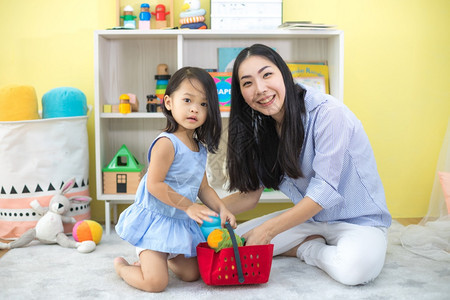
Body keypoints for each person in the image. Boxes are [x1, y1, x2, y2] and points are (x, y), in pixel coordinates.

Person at [223, 44, 392, 286]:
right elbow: (249, 197)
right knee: (228, 248)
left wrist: (269, 230)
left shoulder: (328, 113)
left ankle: (307, 249)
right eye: (247, 83)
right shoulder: (262, 129)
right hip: (309, 220)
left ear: (283, 73)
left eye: (267, 74)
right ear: (241, 93)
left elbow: (323, 193)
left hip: (358, 221)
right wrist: (197, 213)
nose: (260, 89)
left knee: (355, 270)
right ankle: (310, 241)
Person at [114, 66, 237, 292]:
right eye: (188, 100)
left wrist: (222, 209)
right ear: (169, 103)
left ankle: (164, 256)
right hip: (156, 220)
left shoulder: (199, 148)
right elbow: (154, 184)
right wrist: (188, 206)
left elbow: (203, 187)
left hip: (177, 222)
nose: (195, 109)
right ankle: (124, 267)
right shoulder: (166, 143)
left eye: (203, 104)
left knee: (192, 275)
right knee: (156, 283)